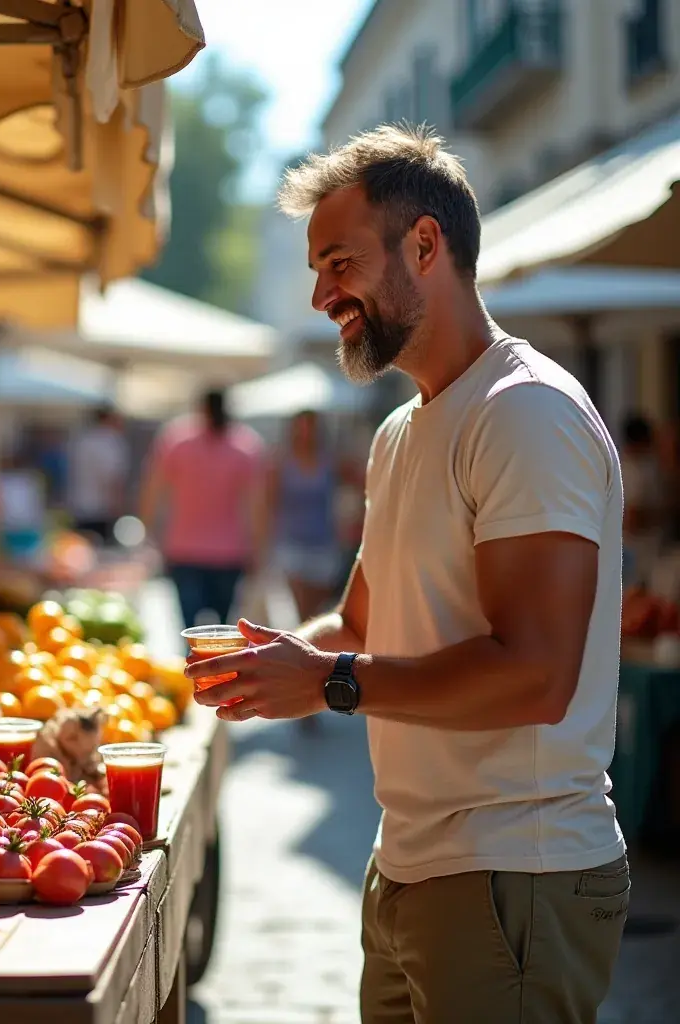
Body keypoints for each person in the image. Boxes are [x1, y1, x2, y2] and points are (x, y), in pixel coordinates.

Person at [186, 125, 628, 1024]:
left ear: (425, 245)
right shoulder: (401, 433)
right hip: (413, 866)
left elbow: (537, 676)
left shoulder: (526, 414)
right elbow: (355, 627)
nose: (320, 296)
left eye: (339, 263)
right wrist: (258, 663)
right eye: (317, 269)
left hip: (515, 873)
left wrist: (328, 685)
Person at [140, 389, 267, 629]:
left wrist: (149, 533)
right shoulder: (246, 445)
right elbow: (256, 505)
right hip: (230, 552)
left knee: (189, 630)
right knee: (221, 632)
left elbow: (153, 489)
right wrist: (258, 549)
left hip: (184, 548)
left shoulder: (176, 438)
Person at [267, 409, 341, 621]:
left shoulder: (330, 461)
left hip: (324, 541)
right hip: (291, 541)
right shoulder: (281, 462)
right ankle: (304, 647)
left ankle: (310, 647)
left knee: (318, 608)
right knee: (300, 605)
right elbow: (269, 503)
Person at [67, 406, 129, 542]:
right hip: (102, 511)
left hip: (79, 508)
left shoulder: (81, 440)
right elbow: (112, 478)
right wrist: (118, 508)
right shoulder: (110, 441)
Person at [619, 412, 661, 587]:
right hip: (638, 555)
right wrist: (663, 514)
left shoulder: (647, 467)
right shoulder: (632, 472)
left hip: (644, 553)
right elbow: (632, 518)